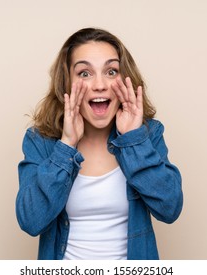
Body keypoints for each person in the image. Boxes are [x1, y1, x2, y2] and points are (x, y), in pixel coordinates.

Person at [16, 27, 183, 260]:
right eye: (85, 73)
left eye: (111, 71)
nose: (100, 85)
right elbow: (31, 221)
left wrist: (132, 140)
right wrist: (66, 145)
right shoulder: (41, 141)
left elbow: (170, 208)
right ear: (66, 84)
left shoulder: (148, 134)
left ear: (125, 80)